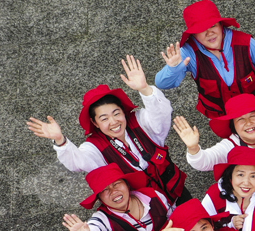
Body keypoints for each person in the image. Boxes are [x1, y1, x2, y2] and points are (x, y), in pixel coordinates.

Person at [27, 60, 189, 207]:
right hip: (147, 208)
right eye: (104, 118)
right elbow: (77, 162)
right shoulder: (94, 146)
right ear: (95, 123)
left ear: (123, 112)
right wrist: (60, 140)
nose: (113, 122)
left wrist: (144, 88)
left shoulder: (140, 120)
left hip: (177, 192)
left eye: (116, 113)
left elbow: (161, 114)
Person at [155, 0, 255, 119]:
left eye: (213, 25)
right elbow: (161, 83)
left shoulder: (244, 42)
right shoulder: (188, 52)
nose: (209, 33)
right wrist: (173, 68)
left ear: (221, 25)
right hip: (224, 120)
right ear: (193, 34)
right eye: (201, 29)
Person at [175, 93, 255, 173]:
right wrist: (193, 147)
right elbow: (204, 162)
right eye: (240, 119)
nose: (248, 122)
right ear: (233, 126)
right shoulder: (229, 146)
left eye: (252, 116)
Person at [200, 146, 255, 228]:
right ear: (230, 176)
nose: (246, 182)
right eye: (240, 175)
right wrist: (230, 226)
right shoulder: (213, 197)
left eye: (253, 176)